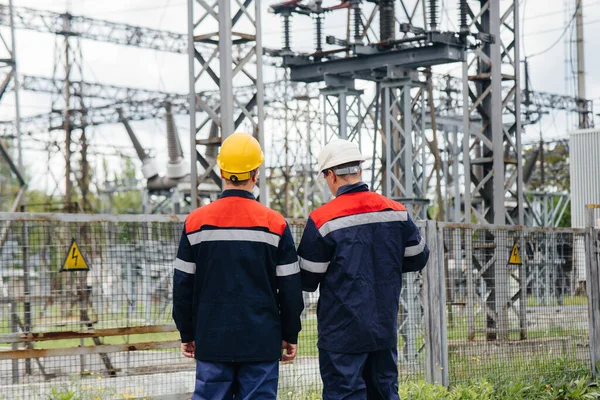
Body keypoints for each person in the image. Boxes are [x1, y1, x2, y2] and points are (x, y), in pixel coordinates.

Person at [172, 132, 304, 400]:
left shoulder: (196, 223)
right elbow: (290, 289)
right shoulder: (275, 224)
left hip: (212, 340)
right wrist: (290, 333)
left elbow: (182, 285)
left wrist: (187, 331)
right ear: (256, 173)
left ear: (221, 171)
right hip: (261, 342)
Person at [297, 138, 429, 400]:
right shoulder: (396, 212)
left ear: (331, 175)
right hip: (383, 328)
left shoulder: (323, 219)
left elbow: (307, 277)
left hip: (342, 334)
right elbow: (417, 257)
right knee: (385, 392)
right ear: (359, 169)